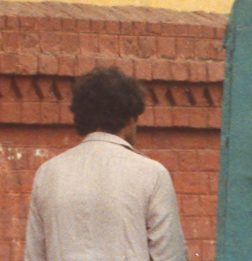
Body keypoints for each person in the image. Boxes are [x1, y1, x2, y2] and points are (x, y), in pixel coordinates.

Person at [23, 66, 188, 261]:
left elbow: (34, 255)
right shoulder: (152, 174)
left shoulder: (48, 173)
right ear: (129, 120)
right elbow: (171, 255)